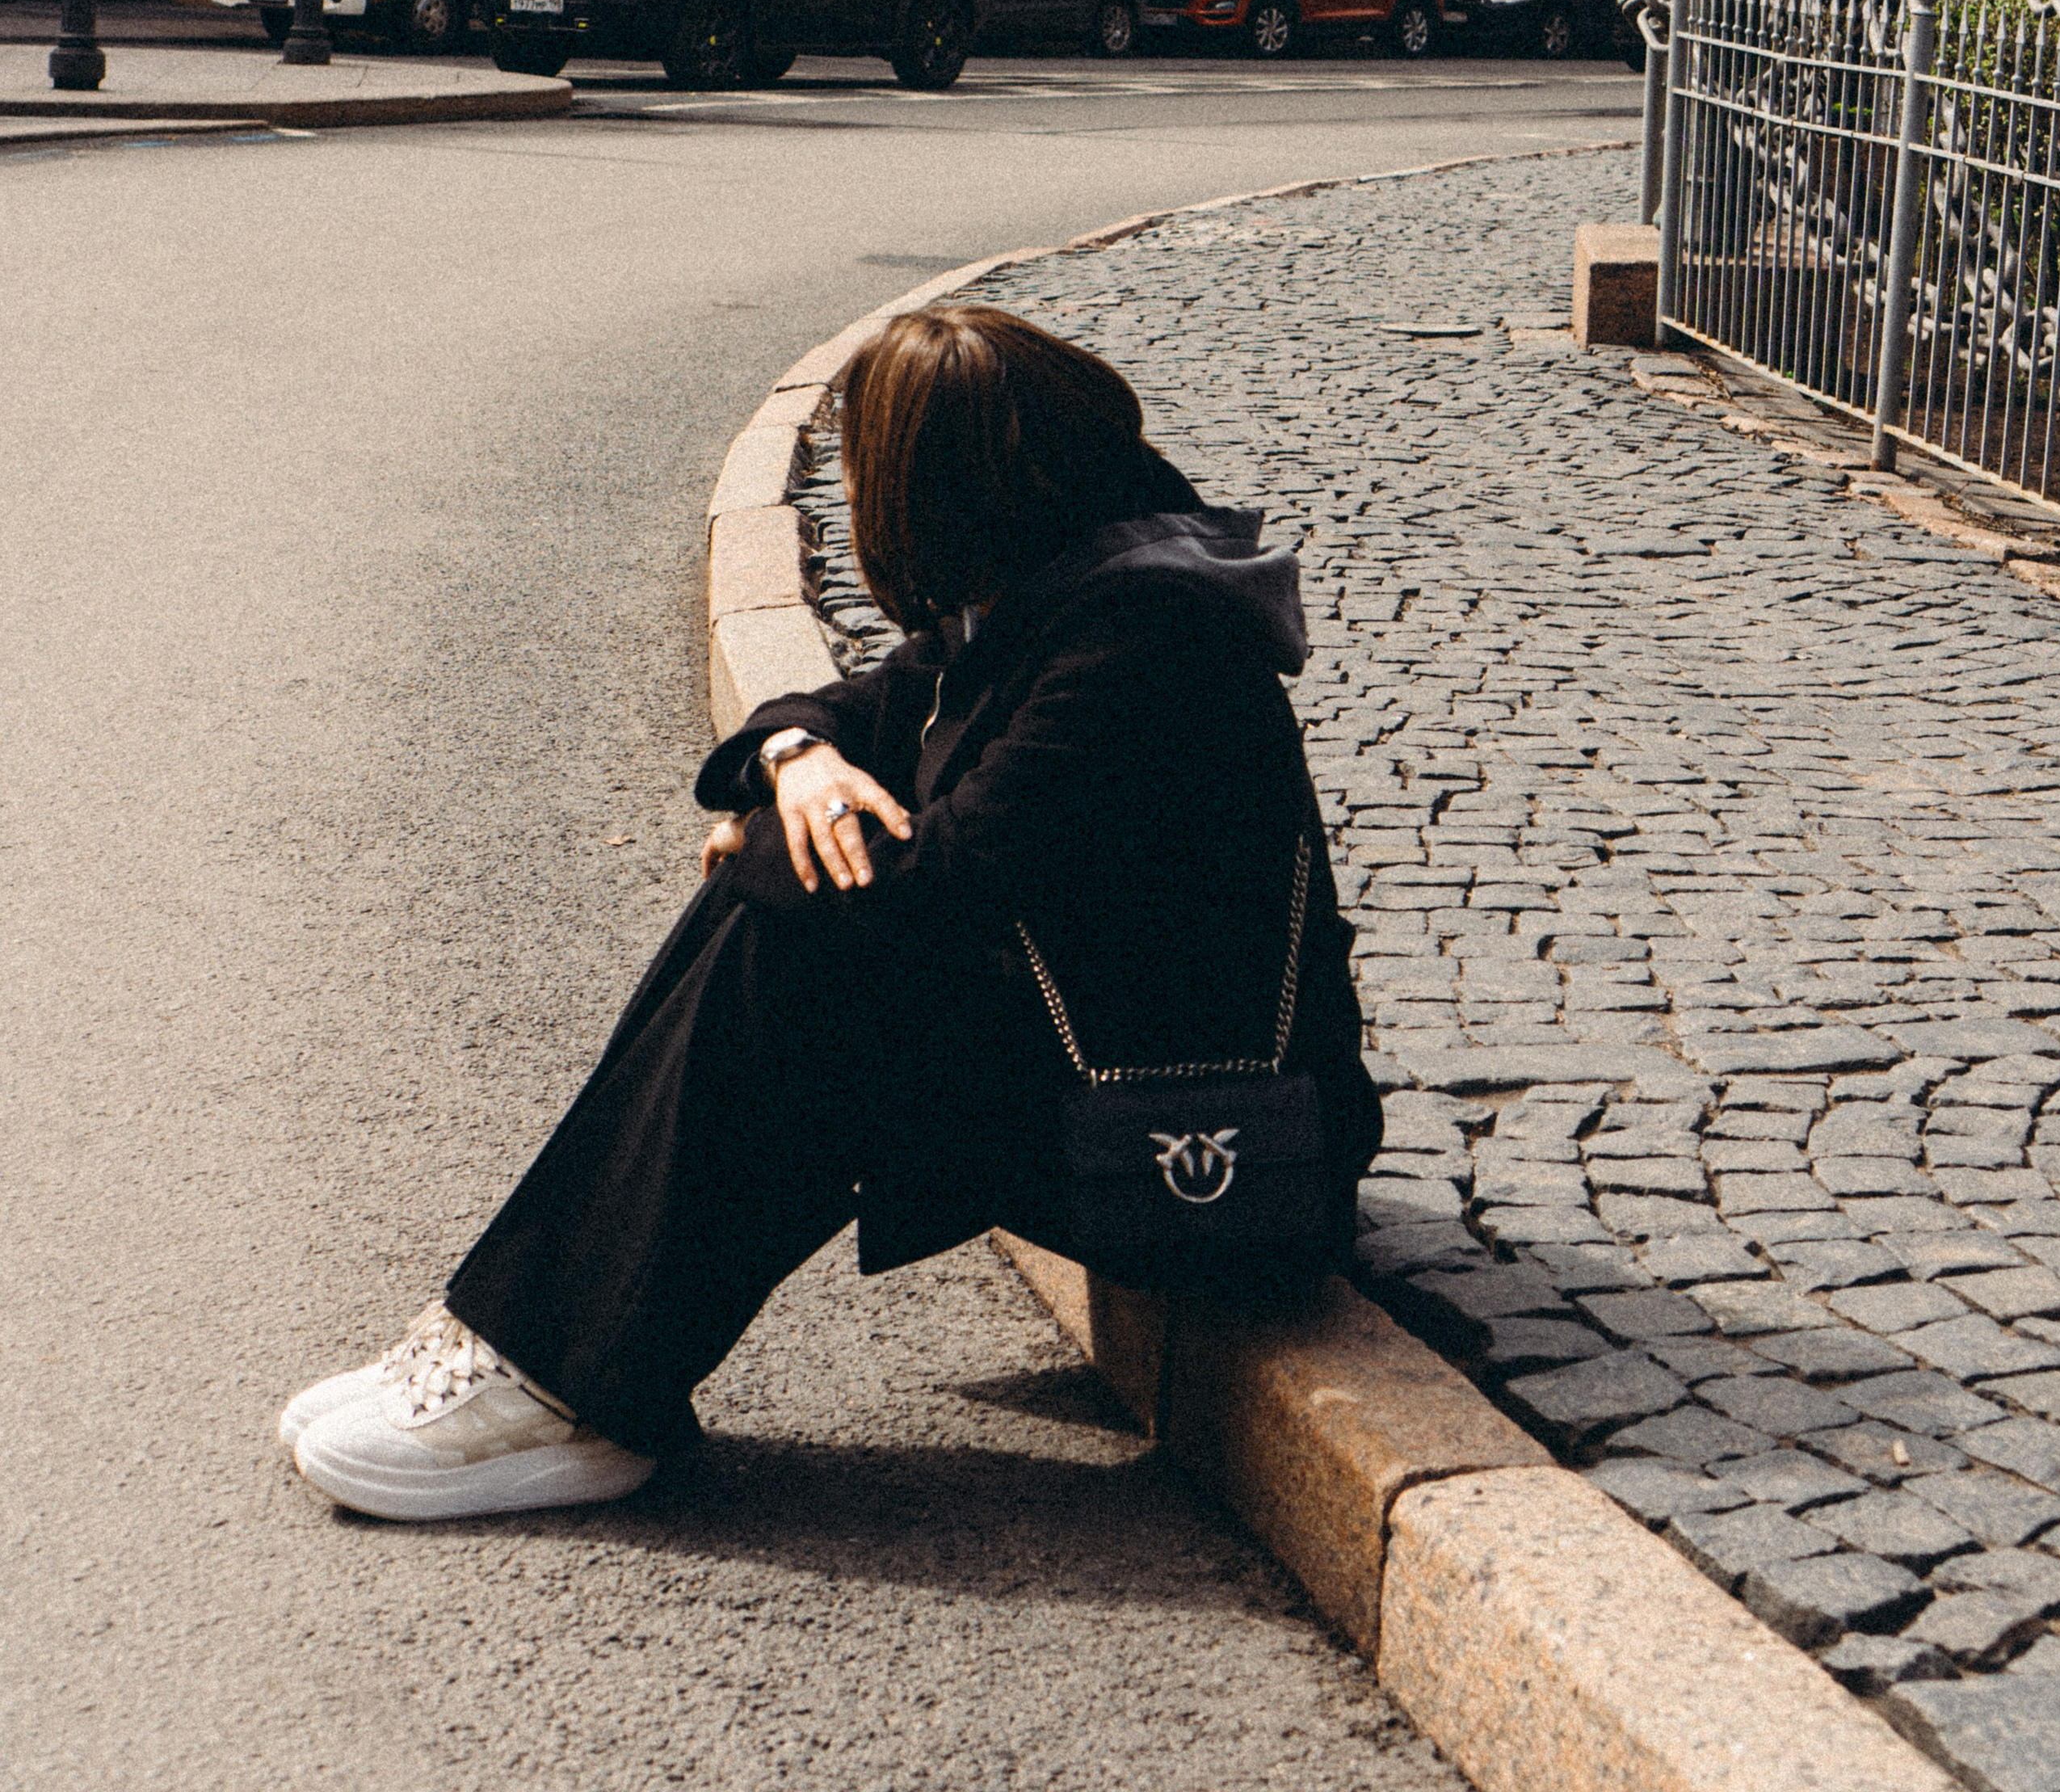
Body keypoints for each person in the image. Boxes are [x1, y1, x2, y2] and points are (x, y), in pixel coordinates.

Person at [284, 305, 1384, 1521]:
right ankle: (542, 1348)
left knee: (793, 947)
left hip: (1211, 1155)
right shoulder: (1067, 584)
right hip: (1116, 1086)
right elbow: (853, 702)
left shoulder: (1145, 641)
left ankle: (577, 1389)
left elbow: (935, 894)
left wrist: (769, 833)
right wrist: (797, 757)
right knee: (786, 898)